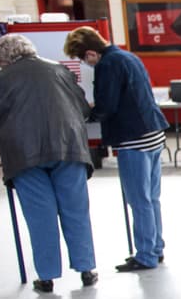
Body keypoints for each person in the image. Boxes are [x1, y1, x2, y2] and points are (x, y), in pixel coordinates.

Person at [0, 34, 97, 294]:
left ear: (2, 59)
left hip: (25, 155)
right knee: (75, 210)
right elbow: (83, 107)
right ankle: (86, 269)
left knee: (39, 216)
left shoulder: (0, 80)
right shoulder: (59, 70)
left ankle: (46, 277)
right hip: (69, 149)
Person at [63, 26, 169, 272]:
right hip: (153, 132)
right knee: (151, 198)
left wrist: (88, 113)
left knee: (138, 199)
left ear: (90, 53)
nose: (84, 63)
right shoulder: (128, 56)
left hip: (133, 138)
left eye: (81, 58)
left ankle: (145, 256)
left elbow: (107, 105)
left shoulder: (107, 64)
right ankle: (156, 248)